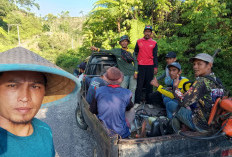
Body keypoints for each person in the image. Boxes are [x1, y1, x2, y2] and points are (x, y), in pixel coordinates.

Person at [0, 47, 79, 156]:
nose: (25, 97)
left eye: (35, 86)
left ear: (44, 92)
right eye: (12, 85)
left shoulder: (45, 130)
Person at [173, 53, 224, 132]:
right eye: (194, 64)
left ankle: (177, 133)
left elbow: (183, 102)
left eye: (199, 64)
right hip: (215, 124)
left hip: (201, 125)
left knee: (175, 107)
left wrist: (175, 87)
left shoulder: (201, 81)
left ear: (209, 65)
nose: (195, 67)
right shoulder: (217, 81)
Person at [90, 67, 134, 138]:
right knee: (131, 109)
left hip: (103, 130)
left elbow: (92, 110)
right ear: (121, 79)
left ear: (106, 79)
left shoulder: (99, 91)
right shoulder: (127, 93)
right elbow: (129, 107)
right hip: (121, 133)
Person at [90, 35, 137, 102]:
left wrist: (136, 72)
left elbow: (135, 61)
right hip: (124, 75)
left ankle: (131, 104)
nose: (124, 43)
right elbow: (107, 51)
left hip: (132, 73)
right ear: (120, 43)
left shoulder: (132, 51)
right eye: (122, 41)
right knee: (122, 89)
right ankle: (122, 103)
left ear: (128, 42)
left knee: (132, 89)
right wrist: (97, 49)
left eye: (125, 41)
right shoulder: (117, 51)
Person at [134, 25, 158, 108]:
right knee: (139, 84)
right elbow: (135, 53)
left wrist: (155, 67)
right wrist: (135, 65)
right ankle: (137, 102)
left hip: (150, 66)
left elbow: (155, 56)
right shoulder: (139, 41)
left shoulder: (154, 43)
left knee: (149, 84)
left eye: (149, 31)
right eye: (146, 31)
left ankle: (149, 102)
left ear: (151, 33)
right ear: (144, 32)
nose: (147, 33)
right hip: (140, 65)